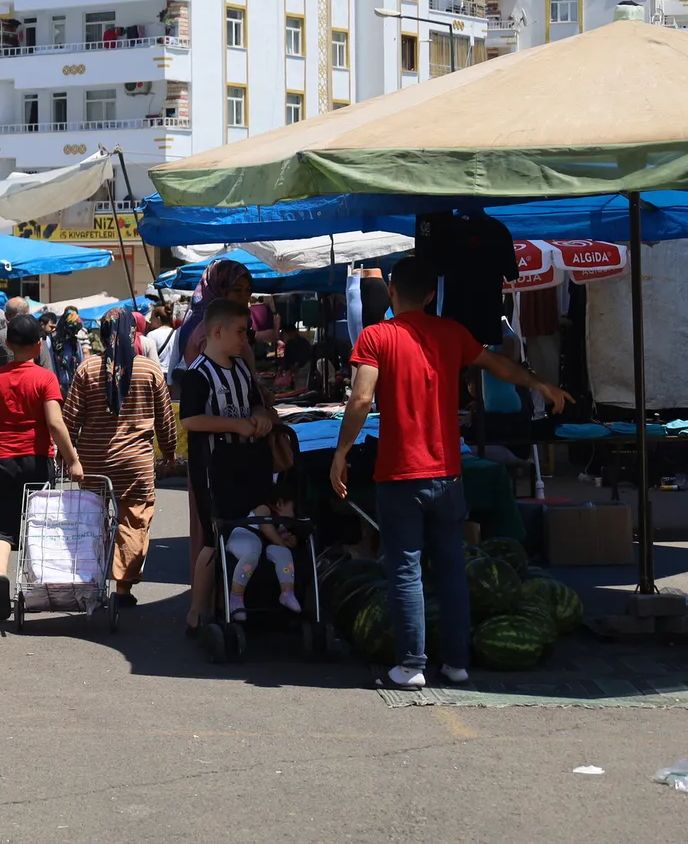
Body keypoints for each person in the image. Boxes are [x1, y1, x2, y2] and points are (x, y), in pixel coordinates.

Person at [331, 256, 568, 691]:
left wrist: (342, 451)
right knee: (451, 567)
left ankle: (411, 665)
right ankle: (457, 663)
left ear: (391, 293)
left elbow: (361, 399)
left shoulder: (375, 335)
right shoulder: (452, 333)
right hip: (448, 475)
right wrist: (541, 385)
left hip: (400, 475)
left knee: (404, 568)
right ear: (431, 295)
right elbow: (500, 366)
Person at [59, 308, 176, 604]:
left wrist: (66, 456)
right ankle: (123, 589)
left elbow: (70, 418)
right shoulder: (150, 370)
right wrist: (169, 452)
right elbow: (165, 420)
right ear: (131, 333)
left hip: (92, 463)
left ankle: (92, 582)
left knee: (93, 522)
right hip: (135, 464)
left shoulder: (87, 369)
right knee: (134, 521)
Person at [173, 298, 275, 631]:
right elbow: (190, 420)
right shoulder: (197, 374)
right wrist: (235, 425)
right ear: (218, 331)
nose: (245, 339)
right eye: (241, 332)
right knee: (214, 537)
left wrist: (259, 417)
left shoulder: (242, 369)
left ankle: (239, 600)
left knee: (249, 529)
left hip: (246, 464)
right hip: (212, 469)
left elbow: (256, 404)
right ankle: (196, 611)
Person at [0, 313, 82, 622]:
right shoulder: (45, 378)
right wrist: (73, 459)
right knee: (39, 524)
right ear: (39, 346)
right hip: (37, 459)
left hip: (3, 459)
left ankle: (0, 575)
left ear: (7, 345)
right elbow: (54, 423)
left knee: (2, 525)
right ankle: (37, 587)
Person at [226, 479, 302, 622]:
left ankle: (287, 592)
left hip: (262, 546)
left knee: (284, 553)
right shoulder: (264, 509)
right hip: (244, 535)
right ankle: (236, 597)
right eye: (292, 509)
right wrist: (281, 542)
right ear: (279, 503)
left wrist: (289, 542)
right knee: (252, 553)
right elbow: (265, 526)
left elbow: (283, 539)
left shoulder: (279, 525)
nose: (293, 515)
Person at [162, 258, 255, 372]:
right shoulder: (203, 327)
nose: (244, 296)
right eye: (237, 290)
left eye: (248, 290)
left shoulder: (240, 323)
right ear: (218, 288)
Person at [51, 306, 86, 391]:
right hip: (58, 384)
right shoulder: (54, 341)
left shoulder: (76, 343)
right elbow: (52, 363)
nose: (74, 332)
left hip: (74, 385)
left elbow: (81, 362)